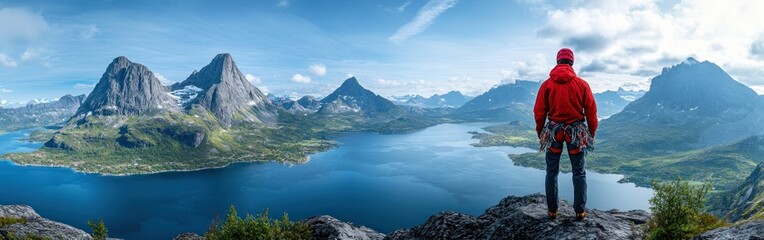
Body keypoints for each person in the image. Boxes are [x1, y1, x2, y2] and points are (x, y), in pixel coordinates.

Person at [533, 48, 597, 220]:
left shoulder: (546, 85)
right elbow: (591, 113)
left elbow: (539, 112)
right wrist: (590, 134)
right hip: (576, 134)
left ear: (558, 61)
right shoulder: (582, 85)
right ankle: (580, 211)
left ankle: (552, 211)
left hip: (554, 133)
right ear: (572, 62)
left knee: (551, 172)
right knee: (579, 172)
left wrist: (541, 133)